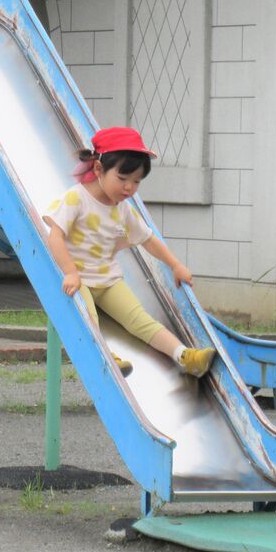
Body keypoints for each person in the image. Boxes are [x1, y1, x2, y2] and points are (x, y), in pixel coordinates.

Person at [43, 127, 215, 379]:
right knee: (86, 315)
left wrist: (175, 265)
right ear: (99, 169)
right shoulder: (77, 198)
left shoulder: (122, 209)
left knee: (139, 319)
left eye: (136, 181)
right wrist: (70, 272)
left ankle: (185, 356)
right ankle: (104, 355)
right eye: (122, 178)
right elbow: (55, 236)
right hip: (78, 280)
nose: (129, 187)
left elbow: (148, 240)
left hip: (108, 280)